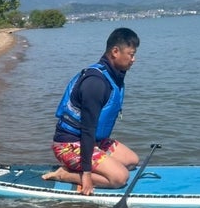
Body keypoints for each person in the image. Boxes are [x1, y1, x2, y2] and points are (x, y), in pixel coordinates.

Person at [42, 27, 141, 195]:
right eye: (131, 54)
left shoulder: (112, 76)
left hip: (93, 141)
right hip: (69, 144)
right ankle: (65, 174)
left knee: (132, 161)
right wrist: (86, 174)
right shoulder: (96, 83)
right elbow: (87, 129)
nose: (134, 60)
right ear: (115, 51)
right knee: (120, 178)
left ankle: (94, 165)